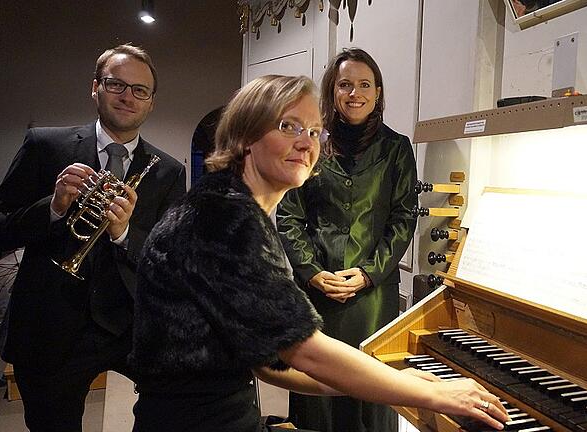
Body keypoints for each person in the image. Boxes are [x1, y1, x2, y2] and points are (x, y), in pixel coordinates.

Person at [129, 74, 508, 432]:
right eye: (288, 126)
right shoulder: (223, 217)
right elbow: (303, 350)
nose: (306, 142)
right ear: (245, 135)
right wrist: (437, 392)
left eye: (313, 131)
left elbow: (267, 364)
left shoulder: (228, 205)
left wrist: (383, 380)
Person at [0, 43, 186, 431]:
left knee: (181, 405)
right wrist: (53, 208)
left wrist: (125, 234)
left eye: (140, 90)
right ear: (95, 88)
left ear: (151, 102)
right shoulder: (45, 145)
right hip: (51, 327)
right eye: (116, 85)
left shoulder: (167, 171)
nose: (128, 97)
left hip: (128, 326)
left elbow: (171, 260)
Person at [276, 48, 417, 432]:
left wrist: (369, 274)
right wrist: (311, 271)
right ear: (332, 92)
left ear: (378, 92)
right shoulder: (309, 144)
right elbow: (289, 214)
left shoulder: (397, 148)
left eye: (364, 85)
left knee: (372, 395)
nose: (355, 93)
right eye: (345, 85)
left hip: (373, 297)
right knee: (315, 397)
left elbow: (403, 218)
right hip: (315, 292)